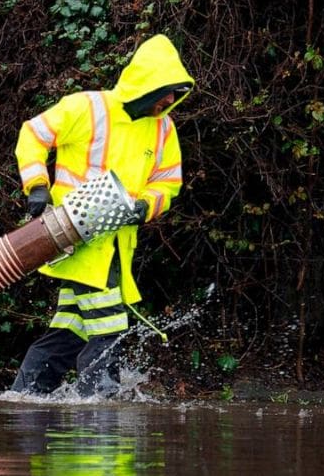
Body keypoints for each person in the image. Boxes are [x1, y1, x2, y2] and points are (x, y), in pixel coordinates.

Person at [10, 33, 194, 396]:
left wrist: (145, 207)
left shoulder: (163, 130)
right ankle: (101, 409)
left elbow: (168, 182)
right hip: (74, 242)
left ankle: (23, 401)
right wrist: (36, 185)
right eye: (166, 90)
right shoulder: (87, 108)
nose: (171, 99)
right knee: (109, 328)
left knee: (68, 334)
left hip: (114, 250)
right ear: (146, 84)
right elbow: (33, 134)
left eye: (176, 92)